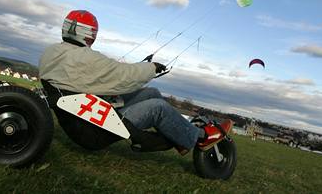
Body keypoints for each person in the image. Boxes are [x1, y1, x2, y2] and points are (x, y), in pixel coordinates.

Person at [39, 10, 233, 154]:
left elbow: (105, 74)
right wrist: (152, 67)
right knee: (158, 107)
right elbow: (123, 75)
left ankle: (180, 137)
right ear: (89, 34)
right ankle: (201, 138)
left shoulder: (52, 53)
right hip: (95, 130)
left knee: (152, 93)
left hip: (85, 117)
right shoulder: (83, 57)